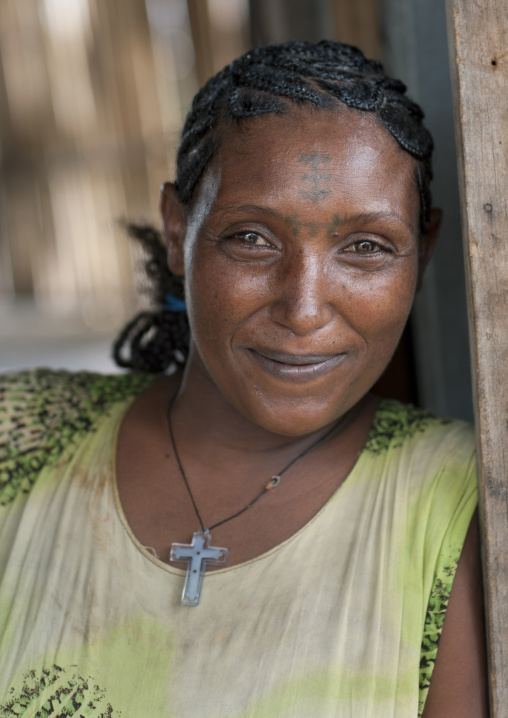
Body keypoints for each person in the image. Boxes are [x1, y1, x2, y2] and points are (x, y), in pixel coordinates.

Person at [0, 41, 487, 717]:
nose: (305, 307)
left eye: (366, 248)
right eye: (252, 238)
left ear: (422, 251)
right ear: (178, 232)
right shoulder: (19, 438)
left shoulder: (465, 503)